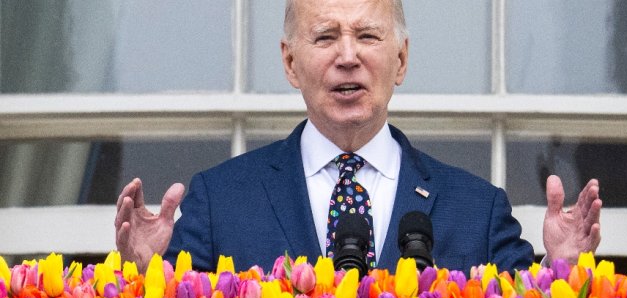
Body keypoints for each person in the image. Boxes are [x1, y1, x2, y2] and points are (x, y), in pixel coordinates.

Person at [115, 0, 601, 274]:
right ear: (289, 62)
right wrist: (144, 278)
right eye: (325, 37)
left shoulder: (477, 210)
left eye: (368, 36)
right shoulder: (220, 200)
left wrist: (563, 273)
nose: (348, 56)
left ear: (401, 60)